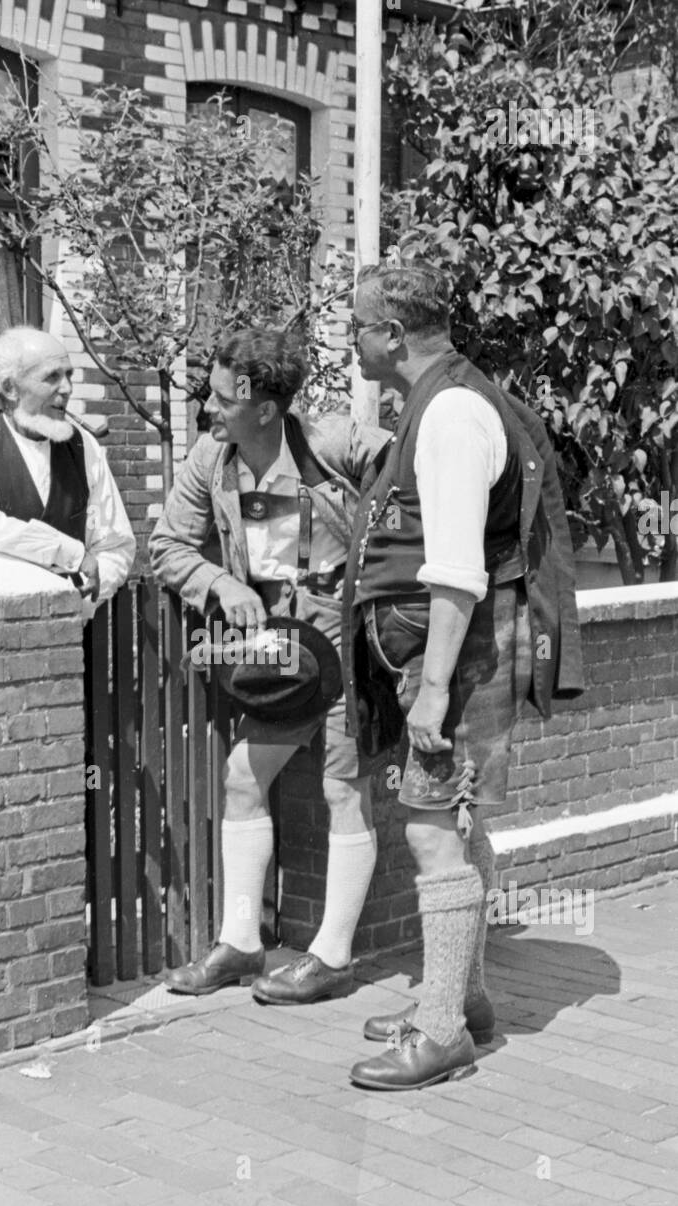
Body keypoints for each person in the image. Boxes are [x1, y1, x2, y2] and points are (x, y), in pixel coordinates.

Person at [342, 260, 584, 1091]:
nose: (352, 339)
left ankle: (441, 1030)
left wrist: (435, 686)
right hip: (454, 649)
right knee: (456, 819)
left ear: (392, 335)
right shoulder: (452, 395)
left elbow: (453, 572)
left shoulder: (447, 412)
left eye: (358, 325)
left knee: (431, 825)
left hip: (459, 651)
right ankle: (463, 999)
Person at [149, 327, 392, 1004]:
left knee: (345, 790)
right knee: (241, 778)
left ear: (263, 406)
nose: (209, 407)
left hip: (345, 651)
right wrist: (220, 585)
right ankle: (240, 945)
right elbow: (167, 544)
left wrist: (372, 574)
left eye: (224, 397)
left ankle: (332, 958)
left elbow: (416, 488)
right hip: (280, 657)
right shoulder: (210, 459)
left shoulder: (336, 445)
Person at [0, 326, 135, 606]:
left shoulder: (84, 446)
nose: (66, 388)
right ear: (9, 388)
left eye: (69, 375)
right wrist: (66, 552)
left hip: (73, 630)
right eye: (52, 377)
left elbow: (117, 544)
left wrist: (81, 603)